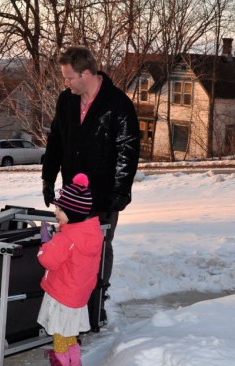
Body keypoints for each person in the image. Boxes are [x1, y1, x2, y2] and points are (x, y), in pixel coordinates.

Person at [42, 46, 140, 327]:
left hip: (103, 195)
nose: (65, 83)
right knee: (69, 247)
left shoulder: (117, 104)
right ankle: (70, 302)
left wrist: (120, 192)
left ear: (86, 74)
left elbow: (128, 150)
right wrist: (48, 177)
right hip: (73, 196)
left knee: (98, 247)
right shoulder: (67, 100)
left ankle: (97, 300)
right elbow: (56, 141)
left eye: (69, 77)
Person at [37, 173, 104, 366]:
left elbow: (49, 261)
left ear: (72, 213)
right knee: (70, 333)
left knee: (59, 335)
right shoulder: (91, 233)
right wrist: (61, 233)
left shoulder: (66, 239)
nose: (55, 212)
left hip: (61, 295)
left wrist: (46, 243)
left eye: (60, 210)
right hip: (78, 296)